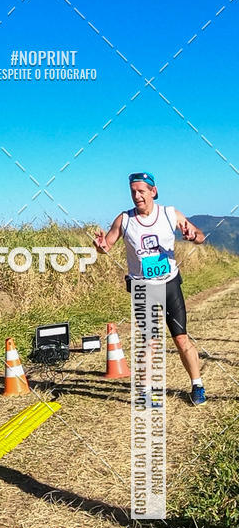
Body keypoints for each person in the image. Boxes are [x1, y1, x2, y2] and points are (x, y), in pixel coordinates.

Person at [93, 171, 207, 405]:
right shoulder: (124, 220)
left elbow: (201, 237)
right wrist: (100, 246)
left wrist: (192, 235)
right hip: (142, 287)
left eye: (141, 191)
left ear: (153, 191)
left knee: (181, 338)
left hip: (169, 284)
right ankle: (145, 391)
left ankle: (197, 386)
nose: (137, 196)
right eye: (133, 192)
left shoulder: (169, 214)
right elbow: (107, 247)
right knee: (149, 340)